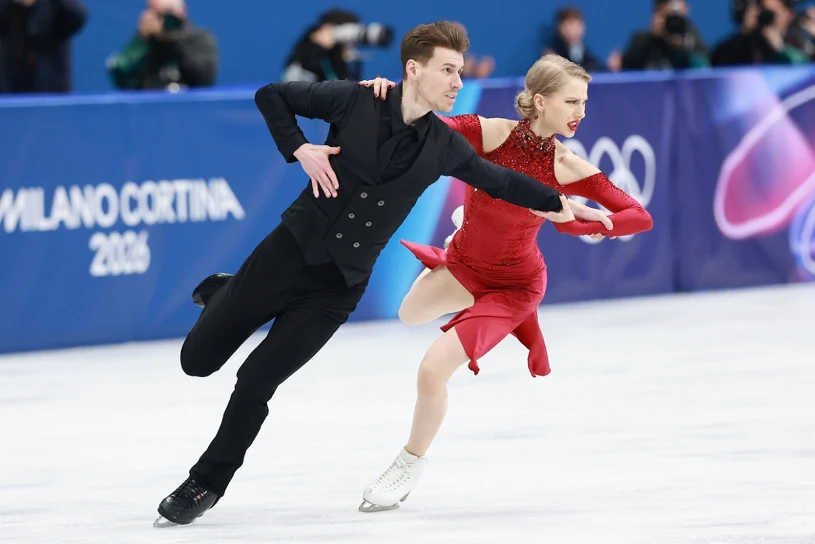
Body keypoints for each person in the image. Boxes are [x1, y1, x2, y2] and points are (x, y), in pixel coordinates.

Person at [153, 23, 611, 528]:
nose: (457, 82)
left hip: (337, 288)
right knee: (196, 363)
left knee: (257, 379)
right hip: (286, 255)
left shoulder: (444, 145)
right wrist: (299, 149)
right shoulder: (354, 100)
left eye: (460, 72)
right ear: (413, 69)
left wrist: (565, 205)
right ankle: (227, 294)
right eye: (447, 70)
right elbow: (273, 96)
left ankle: (207, 482)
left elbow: (501, 180)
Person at [354, 54, 654, 512]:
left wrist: (586, 221)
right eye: (572, 101)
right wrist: (391, 94)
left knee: (433, 369)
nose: (581, 112)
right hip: (465, 262)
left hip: (514, 284)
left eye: (585, 102)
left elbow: (640, 216)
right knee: (408, 313)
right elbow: (426, 127)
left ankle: (407, 465)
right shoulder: (491, 133)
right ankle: (464, 256)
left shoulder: (567, 165)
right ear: (540, 101)